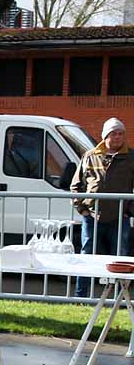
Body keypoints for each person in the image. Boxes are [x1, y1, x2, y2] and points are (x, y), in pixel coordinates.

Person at [71, 117, 134, 297]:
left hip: (119, 218)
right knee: (86, 255)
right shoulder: (90, 156)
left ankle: (119, 298)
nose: (118, 137)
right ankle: (80, 296)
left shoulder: (131, 156)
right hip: (91, 217)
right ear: (105, 136)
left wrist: (129, 212)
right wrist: (82, 209)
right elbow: (76, 186)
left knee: (120, 258)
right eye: (114, 133)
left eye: (121, 133)